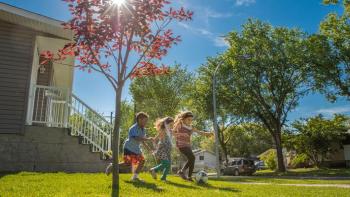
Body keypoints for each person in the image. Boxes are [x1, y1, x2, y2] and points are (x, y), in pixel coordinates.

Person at [105, 112, 152, 182]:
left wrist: (148, 148)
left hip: (136, 149)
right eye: (145, 121)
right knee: (127, 163)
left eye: (146, 121)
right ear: (139, 119)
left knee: (142, 161)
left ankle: (135, 177)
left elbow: (142, 140)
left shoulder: (143, 129)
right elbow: (137, 138)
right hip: (129, 148)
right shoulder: (133, 128)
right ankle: (112, 166)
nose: (146, 123)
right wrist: (148, 139)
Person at [173, 111, 213, 181]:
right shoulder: (180, 124)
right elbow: (173, 132)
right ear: (184, 119)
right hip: (181, 145)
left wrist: (207, 133)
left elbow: (200, 132)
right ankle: (184, 173)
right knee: (192, 158)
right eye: (188, 119)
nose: (190, 121)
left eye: (191, 120)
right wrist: (182, 134)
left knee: (192, 159)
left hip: (187, 145)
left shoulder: (191, 127)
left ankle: (186, 175)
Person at [149, 117, 174, 182]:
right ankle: (153, 170)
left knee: (168, 165)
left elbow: (170, 140)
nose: (172, 126)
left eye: (172, 125)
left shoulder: (170, 132)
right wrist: (154, 147)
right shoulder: (163, 130)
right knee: (166, 163)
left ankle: (163, 178)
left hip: (167, 151)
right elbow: (155, 139)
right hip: (162, 150)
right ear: (166, 124)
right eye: (170, 125)